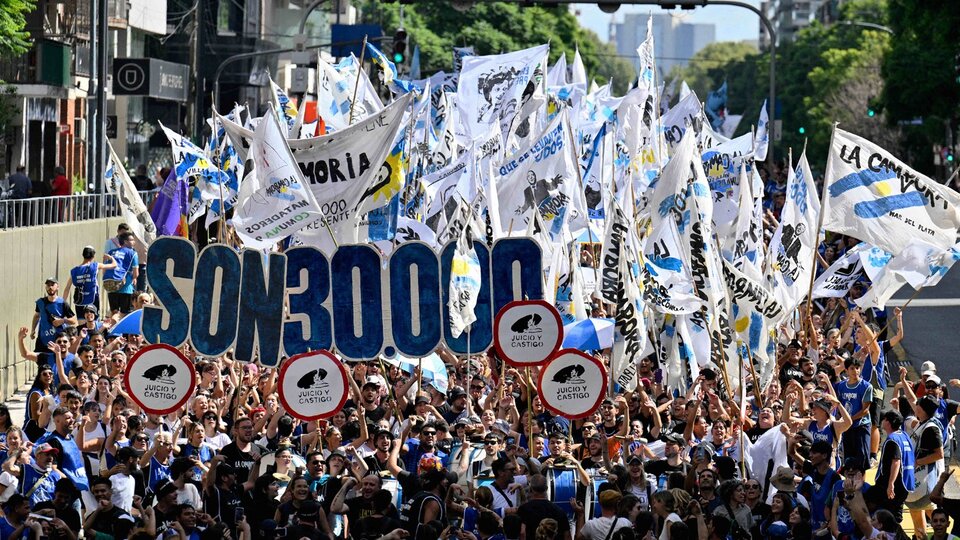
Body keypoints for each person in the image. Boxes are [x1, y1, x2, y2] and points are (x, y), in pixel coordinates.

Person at [867, 409, 914, 518]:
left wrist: (891, 484)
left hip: (891, 486)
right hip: (905, 484)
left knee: (867, 501)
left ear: (888, 422)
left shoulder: (892, 440)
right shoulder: (904, 436)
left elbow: (896, 461)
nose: (882, 421)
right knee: (894, 515)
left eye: (884, 419)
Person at [517, 474, 570, 540]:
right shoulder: (559, 511)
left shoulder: (523, 510)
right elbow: (567, 536)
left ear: (531, 489)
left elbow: (522, 532)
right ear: (547, 488)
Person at [31, 278, 76, 353]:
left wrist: (62, 321)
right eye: (48, 285)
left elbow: (74, 320)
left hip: (58, 341)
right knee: (41, 362)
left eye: (52, 285)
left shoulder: (62, 303)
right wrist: (33, 330)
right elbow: (36, 316)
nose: (50, 287)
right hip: (43, 340)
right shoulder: (40, 302)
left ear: (57, 287)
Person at [103, 231, 140, 316]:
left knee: (114, 313)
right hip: (126, 288)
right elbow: (136, 273)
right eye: (132, 240)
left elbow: (105, 269)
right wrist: (133, 278)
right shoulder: (133, 253)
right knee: (125, 313)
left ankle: (113, 328)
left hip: (111, 286)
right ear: (125, 241)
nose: (134, 242)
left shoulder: (111, 252)